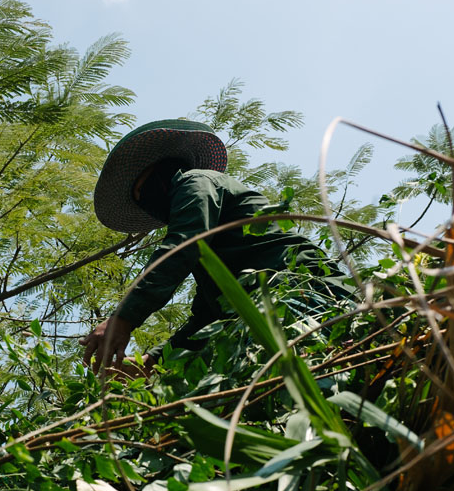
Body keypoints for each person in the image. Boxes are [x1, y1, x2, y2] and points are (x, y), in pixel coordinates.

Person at [80, 119, 338, 375]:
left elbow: (182, 247)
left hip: (303, 293)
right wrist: (151, 361)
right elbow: (209, 315)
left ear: (160, 174)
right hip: (268, 312)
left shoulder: (196, 182)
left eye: (142, 192)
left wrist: (123, 318)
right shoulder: (211, 253)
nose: (146, 202)